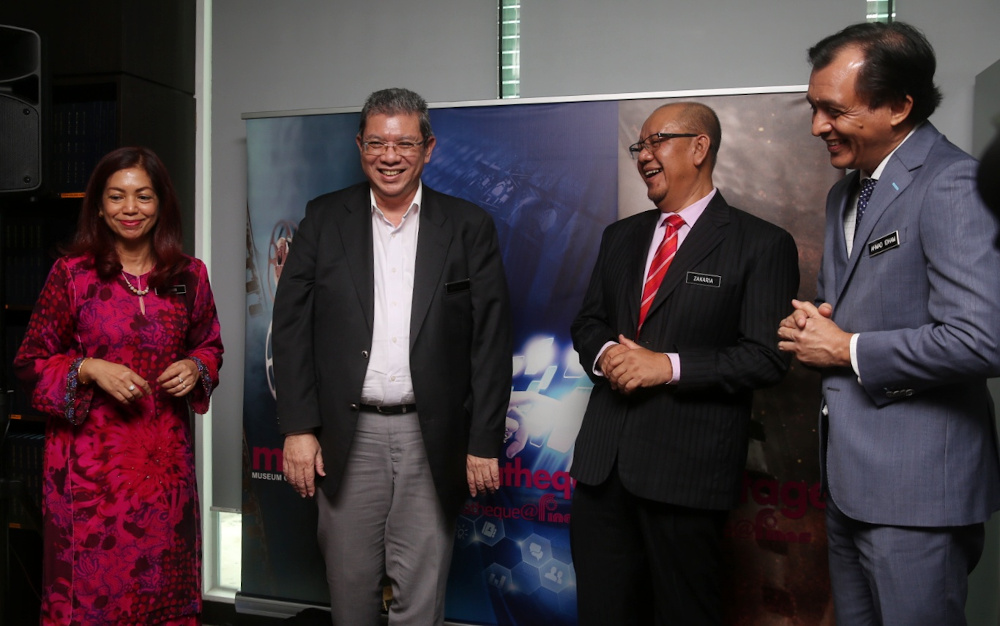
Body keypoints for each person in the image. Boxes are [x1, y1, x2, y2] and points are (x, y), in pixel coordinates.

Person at [777, 22, 1000, 626]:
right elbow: (858, 306)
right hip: (850, 482)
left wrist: (847, 348)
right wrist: (815, 329)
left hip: (919, 492)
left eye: (833, 110)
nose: (817, 125)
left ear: (900, 105)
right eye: (813, 107)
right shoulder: (844, 193)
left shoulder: (952, 183)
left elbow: (983, 338)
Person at [272, 88, 512, 625]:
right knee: (351, 597)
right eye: (377, 142)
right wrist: (298, 427)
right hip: (344, 435)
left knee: (420, 599)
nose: (390, 154)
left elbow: (491, 341)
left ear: (429, 148)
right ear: (360, 146)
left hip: (434, 437)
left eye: (404, 142)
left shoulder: (468, 227)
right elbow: (289, 329)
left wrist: (482, 442)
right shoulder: (324, 218)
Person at [570, 101, 799, 625]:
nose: (643, 155)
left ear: (700, 148)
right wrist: (609, 357)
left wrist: (666, 366)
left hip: (686, 478)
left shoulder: (761, 244)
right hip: (603, 474)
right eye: (639, 146)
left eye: (657, 142)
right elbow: (589, 323)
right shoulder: (619, 236)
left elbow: (766, 358)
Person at [14, 146, 224, 625]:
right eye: (117, 197)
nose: (131, 209)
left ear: (161, 203)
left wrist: (195, 367)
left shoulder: (189, 276)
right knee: (96, 597)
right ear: (100, 205)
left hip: (165, 471)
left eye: (143, 196)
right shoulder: (72, 276)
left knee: (163, 590)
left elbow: (211, 346)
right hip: (90, 477)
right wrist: (87, 368)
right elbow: (29, 363)